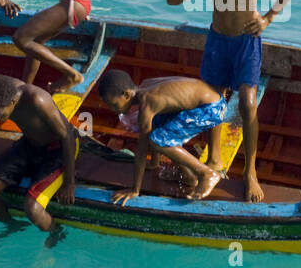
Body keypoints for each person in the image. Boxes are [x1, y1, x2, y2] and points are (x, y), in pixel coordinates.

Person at [166, 0, 296, 202]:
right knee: (213, 100)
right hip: (218, 42)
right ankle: (214, 159)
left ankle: (250, 172)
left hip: (246, 44)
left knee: (248, 105)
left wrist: (268, 18)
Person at [0, 74, 79, 234]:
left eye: (0, 115)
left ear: (13, 102)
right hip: (29, 144)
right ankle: (12, 226)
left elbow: (67, 136)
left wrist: (69, 183)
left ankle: (56, 234)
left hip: (58, 150)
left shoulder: (37, 99)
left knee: (32, 208)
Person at [97, 70, 228, 203]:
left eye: (114, 104)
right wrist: (154, 163)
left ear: (126, 94)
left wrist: (135, 189)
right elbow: (154, 124)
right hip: (213, 101)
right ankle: (189, 176)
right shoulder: (145, 86)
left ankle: (206, 173)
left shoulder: (146, 102)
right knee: (156, 126)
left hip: (211, 109)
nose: (113, 110)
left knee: (158, 140)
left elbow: (141, 151)